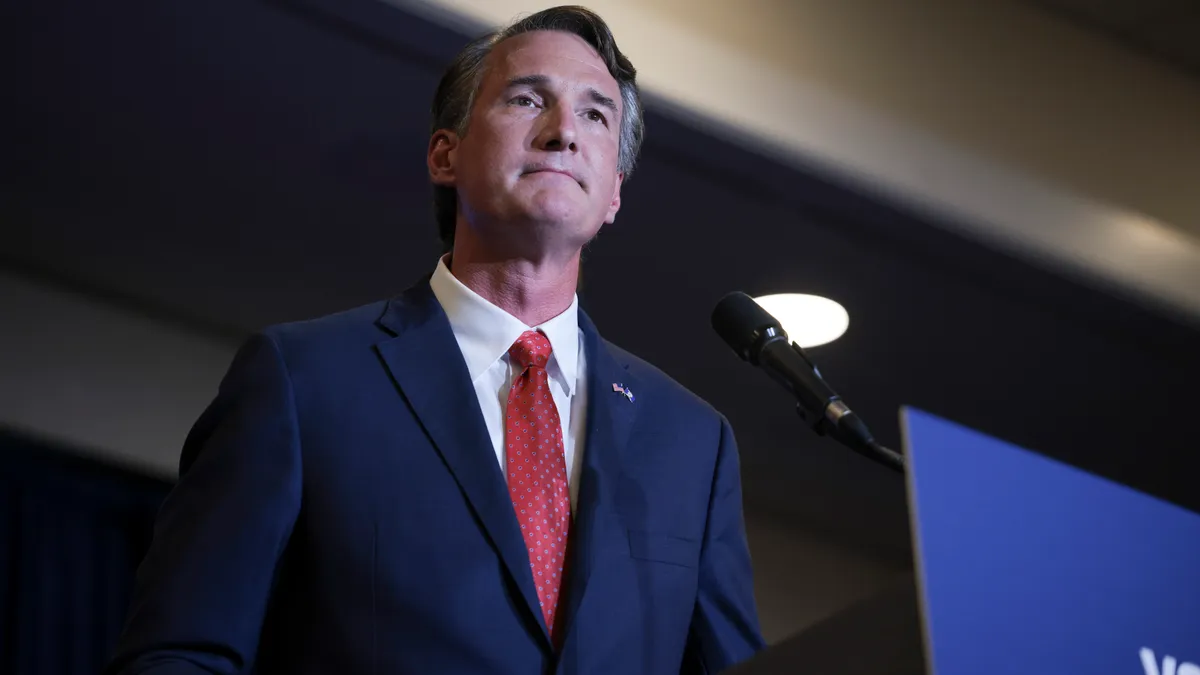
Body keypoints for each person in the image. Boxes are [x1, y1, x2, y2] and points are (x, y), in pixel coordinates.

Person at [105, 5, 765, 674]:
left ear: (614, 192)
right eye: (527, 98)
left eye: (596, 114)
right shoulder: (302, 382)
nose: (564, 131)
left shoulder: (692, 443)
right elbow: (179, 654)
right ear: (445, 154)